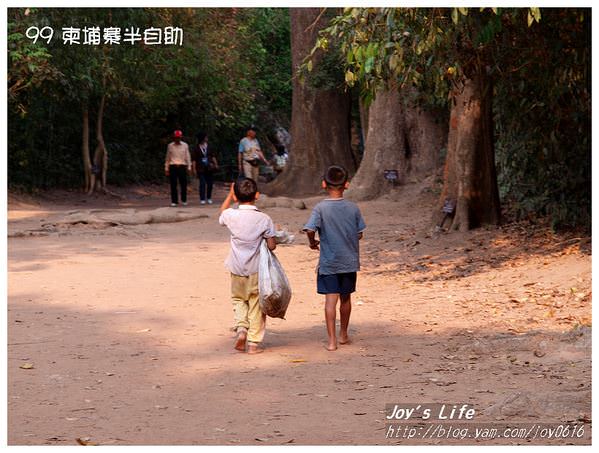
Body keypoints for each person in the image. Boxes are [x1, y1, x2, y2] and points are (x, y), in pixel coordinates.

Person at [302, 165, 366, 351]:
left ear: (324, 184)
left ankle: (332, 341)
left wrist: (312, 242)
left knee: (331, 300)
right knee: (346, 299)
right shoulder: (353, 208)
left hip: (329, 262)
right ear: (346, 184)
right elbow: (359, 233)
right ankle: (344, 335)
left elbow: (310, 229)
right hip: (349, 261)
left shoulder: (320, 208)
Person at [219, 178, 277, 354]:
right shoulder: (264, 219)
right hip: (255, 270)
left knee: (238, 300)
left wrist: (230, 196)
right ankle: (253, 343)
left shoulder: (231, 215)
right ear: (257, 195)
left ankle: (241, 328)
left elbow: (222, 212)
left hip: (236, 268)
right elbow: (272, 245)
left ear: (236, 196)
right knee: (256, 305)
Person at [164, 130, 192, 207]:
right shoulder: (170, 146)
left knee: (183, 184)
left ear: (181, 137)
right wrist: (166, 168)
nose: (177, 139)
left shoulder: (185, 145)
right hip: (173, 166)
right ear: (174, 137)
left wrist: (189, 166)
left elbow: (188, 156)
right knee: (173, 184)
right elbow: (167, 157)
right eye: (176, 137)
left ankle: (184, 200)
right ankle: (174, 201)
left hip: (182, 166)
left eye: (178, 137)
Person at [193, 131, 219, 205]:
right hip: (200, 168)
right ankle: (202, 198)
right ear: (202, 138)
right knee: (202, 183)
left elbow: (213, 156)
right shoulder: (196, 148)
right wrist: (194, 169)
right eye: (206, 137)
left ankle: (209, 197)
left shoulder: (209, 146)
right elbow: (194, 159)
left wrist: (216, 164)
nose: (207, 138)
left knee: (210, 183)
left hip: (209, 167)